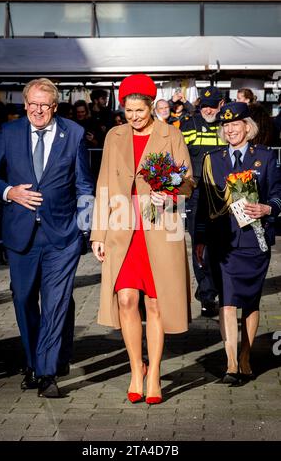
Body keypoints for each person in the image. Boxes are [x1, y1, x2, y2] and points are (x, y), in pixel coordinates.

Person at [0, 78, 94, 397]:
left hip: (63, 235)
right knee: (23, 299)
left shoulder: (72, 133)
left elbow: (85, 185)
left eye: (45, 105)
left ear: (55, 107)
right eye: (33, 104)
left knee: (56, 302)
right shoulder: (9, 132)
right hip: (21, 235)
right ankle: (34, 363)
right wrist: (8, 192)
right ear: (25, 104)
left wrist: (86, 228)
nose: (38, 110)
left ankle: (46, 374)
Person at [91, 74, 194, 404]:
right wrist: (98, 233)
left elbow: (187, 181)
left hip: (160, 227)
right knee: (125, 300)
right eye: (128, 109)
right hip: (122, 226)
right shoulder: (114, 136)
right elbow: (103, 184)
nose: (133, 116)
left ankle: (155, 374)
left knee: (156, 301)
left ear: (152, 106)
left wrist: (172, 192)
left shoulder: (171, 134)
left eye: (139, 109)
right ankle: (136, 367)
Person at [195, 102, 281, 383]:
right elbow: (203, 203)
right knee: (228, 300)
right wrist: (199, 238)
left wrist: (269, 209)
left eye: (235, 124)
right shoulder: (213, 159)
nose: (230, 129)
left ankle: (245, 354)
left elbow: (278, 193)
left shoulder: (266, 157)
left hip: (255, 242)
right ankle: (231, 362)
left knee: (251, 302)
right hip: (224, 243)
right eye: (226, 125)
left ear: (247, 127)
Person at [181, 86, 227, 317]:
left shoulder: (228, 126)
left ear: (221, 104)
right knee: (199, 244)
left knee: (222, 244)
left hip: (223, 194)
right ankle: (207, 296)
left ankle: (221, 287)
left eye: (212, 105)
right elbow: (178, 156)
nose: (207, 109)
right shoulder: (189, 125)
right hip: (197, 194)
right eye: (203, 106)